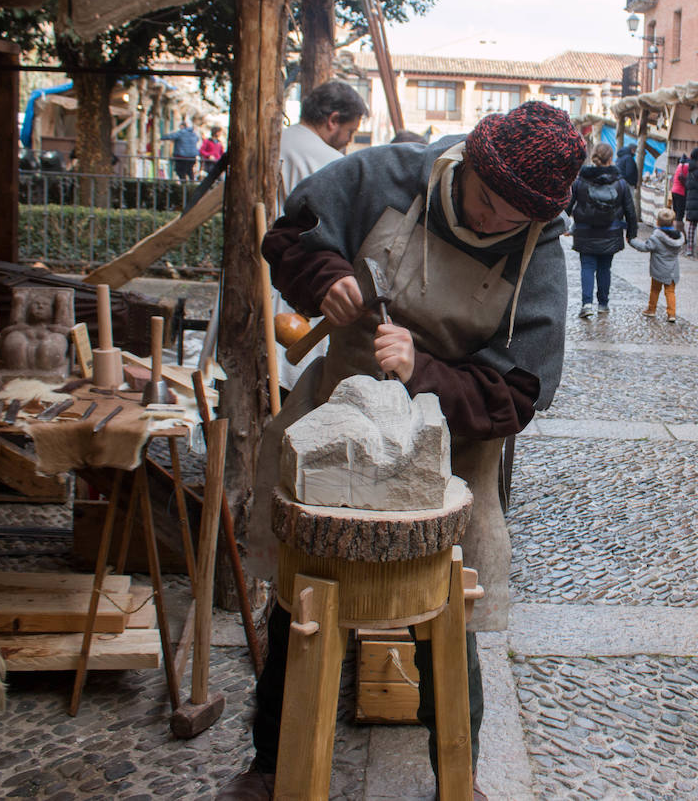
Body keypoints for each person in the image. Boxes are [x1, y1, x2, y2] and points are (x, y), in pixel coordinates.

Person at [216, 102, 585, 801]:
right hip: (340, 418)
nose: (488, 220)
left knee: (446, 610)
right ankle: (272, 766)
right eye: (483, 199)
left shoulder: (538, 252)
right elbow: (292, 233)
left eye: (510, 218)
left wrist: (425, 371)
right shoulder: (389, 174)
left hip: (450, 450)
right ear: (468, 162)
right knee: (301, 601)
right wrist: (327, 277)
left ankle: (456, 778)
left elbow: (519, 396)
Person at [273, 80, 372, 391]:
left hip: (263, 277)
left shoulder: (274, 142)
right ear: (333, 120)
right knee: (286, 382)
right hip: (293, 284)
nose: (348, 140)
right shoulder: (329, 164)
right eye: (350, 131)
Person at [567, 142, 637, 318]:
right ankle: (603, 304)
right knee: (605, 268)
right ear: (611, 158)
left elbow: (567, 205)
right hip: (611, 232)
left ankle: (586, 303)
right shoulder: (620, 182)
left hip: (585, 232)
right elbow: (630, 209)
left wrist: (561, 225)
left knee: (587, 267)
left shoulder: (580, 180)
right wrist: (631, 233)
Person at [630, 207, 683, 323]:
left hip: (658, 269)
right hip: (673, 270)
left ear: (657, 222)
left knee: (655, 290)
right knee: (670, 292)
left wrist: (632, 241)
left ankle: (651, 309)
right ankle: (671, 314)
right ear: (673, 222)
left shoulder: (656, 237)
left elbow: (644, 247)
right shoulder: (678, 237)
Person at [670, 154, 689, 240]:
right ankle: (678, 235)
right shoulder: (687, 167)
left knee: (676, 213)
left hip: (674, 191)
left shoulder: (679, 166)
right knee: (679, 215)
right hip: (681, 193)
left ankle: (678, 233)